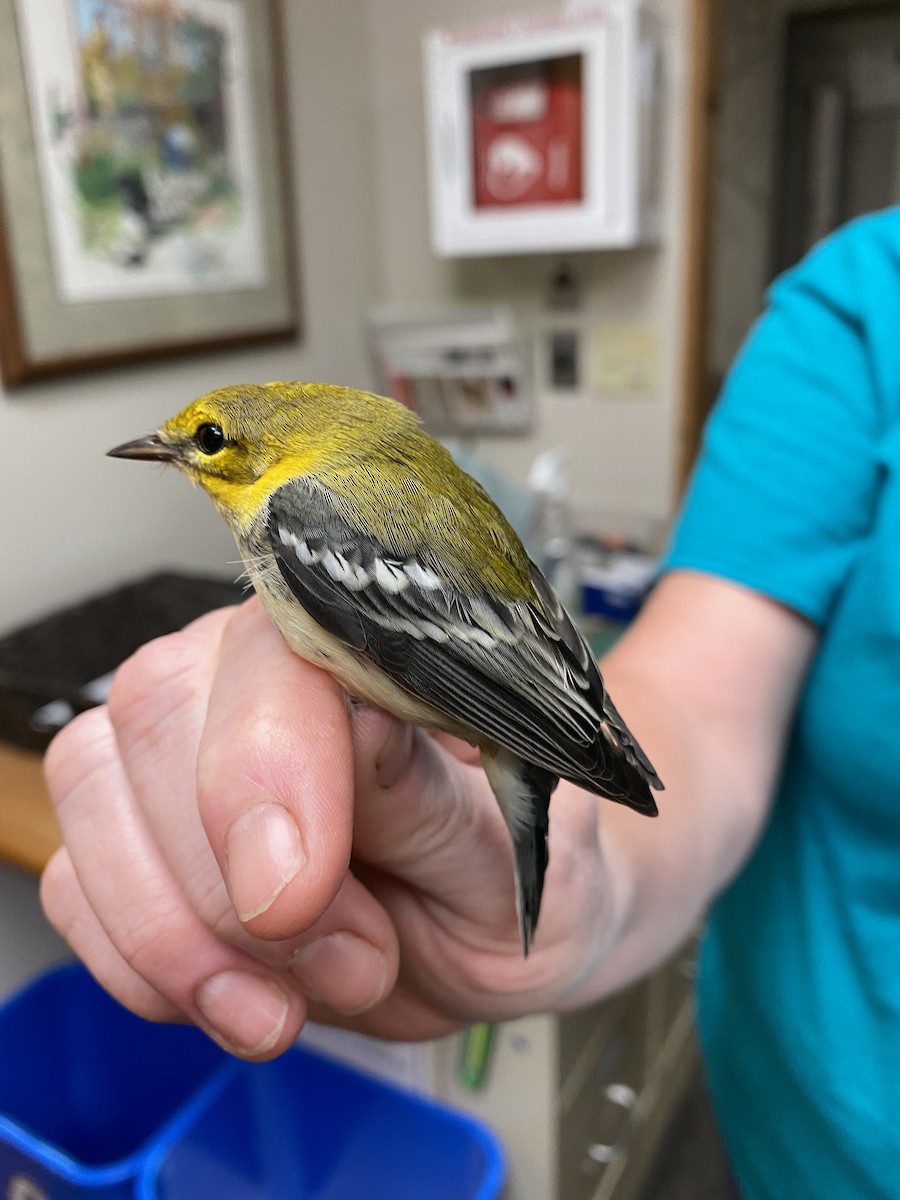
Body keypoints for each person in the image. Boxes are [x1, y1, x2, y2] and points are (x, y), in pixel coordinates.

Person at [40, 207, 900, 1200]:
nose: (181, 455)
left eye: (203, 443)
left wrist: (562, 756)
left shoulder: (299, 512)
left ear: (262, 452)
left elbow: (430, 657)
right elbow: (672, 693)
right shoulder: (852, 312)